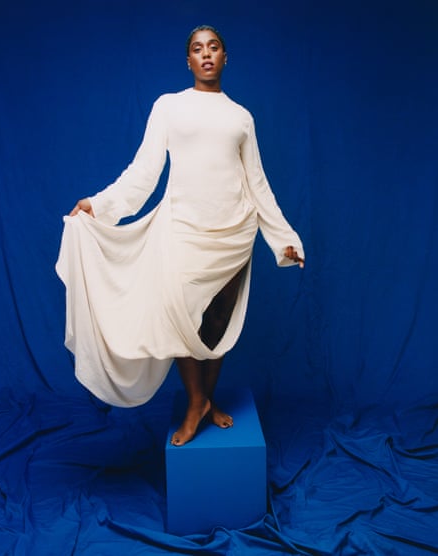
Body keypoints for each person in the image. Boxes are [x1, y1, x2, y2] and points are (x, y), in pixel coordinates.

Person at [56, 25, 304, 446]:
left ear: (226, 57)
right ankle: (195, 403)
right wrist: (100, 204)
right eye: (197, 49)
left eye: (213, 47)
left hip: (235, 231)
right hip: (183, 228)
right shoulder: (168, 107)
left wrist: (284, 237)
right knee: (182, 320)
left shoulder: (241, 116)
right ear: (187, 61)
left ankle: (207, 399)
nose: (205, 54)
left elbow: (257, 183)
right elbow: (144, 171)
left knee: (217, 324)